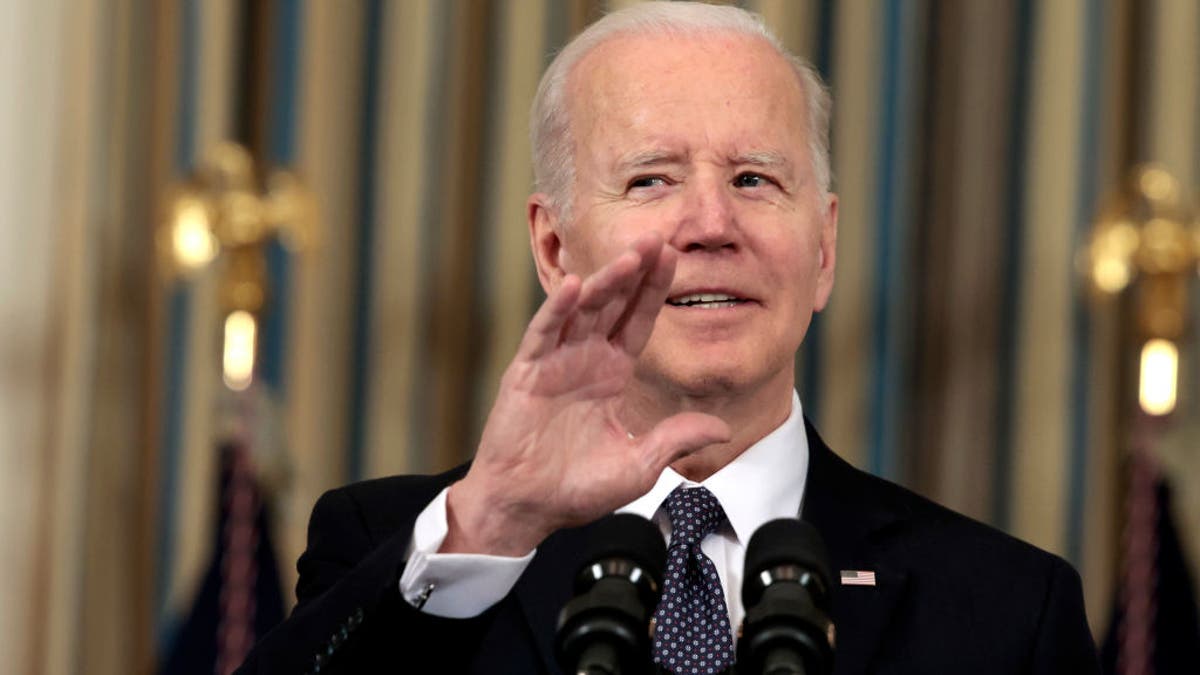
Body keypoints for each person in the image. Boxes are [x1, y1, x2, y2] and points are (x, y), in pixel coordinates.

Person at [237, 3, 1099, 673]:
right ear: (553, 247)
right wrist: (493, 524)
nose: (711, 224)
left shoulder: (1007, 608)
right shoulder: (403, 541)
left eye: (755, 178)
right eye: (651, 179)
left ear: (825, 248)